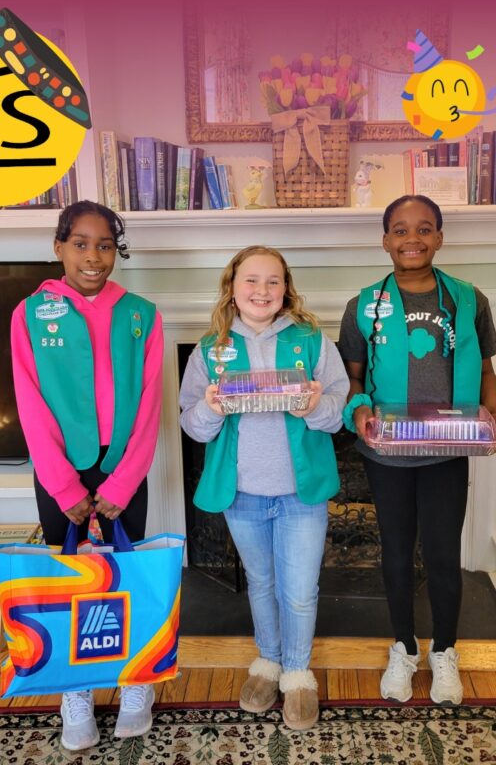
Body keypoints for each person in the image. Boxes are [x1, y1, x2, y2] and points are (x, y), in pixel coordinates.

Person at [338, 195, 496, 706]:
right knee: (394, 551)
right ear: (384, 238)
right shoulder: (363, 306)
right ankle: (403, 646)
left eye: (424, 228)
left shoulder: (468, 299)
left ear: (439, 236)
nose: (412, 238)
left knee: (441, 553)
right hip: (387, 455)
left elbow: (484, 371)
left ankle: (445, 652)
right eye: (399, 229)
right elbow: (351, 383)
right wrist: (361, 413)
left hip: (447, 452)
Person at [11, 200, 163, 750]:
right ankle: (76, 691)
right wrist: (64, 487)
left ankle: (136, 682)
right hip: (60, 472)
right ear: (59, 247)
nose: (93, 257)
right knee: (70, 581)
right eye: (80, 243)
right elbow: (30, 402)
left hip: (122, 468)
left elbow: (149, 406)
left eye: (105, 245)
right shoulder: (30, 313)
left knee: (127, 577)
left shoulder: (141, 312)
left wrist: (122, 483)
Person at [179, 245, 348, 730]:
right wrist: (212, 406)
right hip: (243, 494)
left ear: (286, 288)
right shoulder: (209, 349)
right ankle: (268, 661)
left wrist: (312, 407)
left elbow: (337, 412)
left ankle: (297, 673)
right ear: (232, 286)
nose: (262, 290)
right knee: (261, 583)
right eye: (251, 280)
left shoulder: (313, 341)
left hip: (301, 492)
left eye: (273, 281)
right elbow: (193, 426)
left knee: (298, 591)